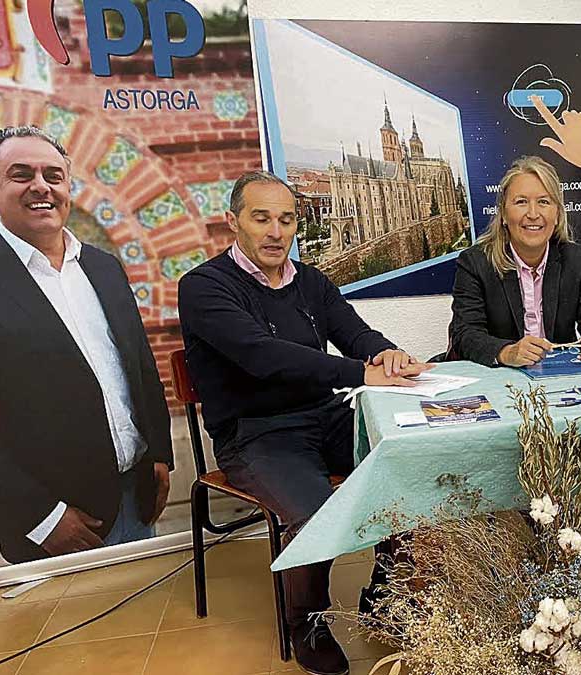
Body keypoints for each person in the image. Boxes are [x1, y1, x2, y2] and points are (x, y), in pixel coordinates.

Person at [178, 171, 431, 675]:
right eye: (261, 218)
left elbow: (354, 332)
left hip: (326, 415)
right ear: (233, 222)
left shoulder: (311, 280)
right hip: (255, 433)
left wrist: (387, 353)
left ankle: (383, 596)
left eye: (286, 219)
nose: (276, 231)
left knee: (408, 472)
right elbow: (263, 356)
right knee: (315, 513)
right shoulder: (203, 287)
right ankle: (308, 623)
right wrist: (362, 372)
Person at [0, 126, 172, 564]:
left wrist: (158, 454)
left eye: (53, 175)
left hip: (136, 500)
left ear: (68, 187)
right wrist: (40, 517)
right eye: (21, 174)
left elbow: (138, 364)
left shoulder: (104, 268)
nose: (41, 186)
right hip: (55, 526)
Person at [450, 155, 581, 366]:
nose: (533, 214)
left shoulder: (577, 259)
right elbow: (464, 333)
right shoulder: (475, 263)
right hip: (502, 380)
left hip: (559, 378)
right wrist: (506, 352)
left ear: (557, 213)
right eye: (521, 202)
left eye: (544, 202)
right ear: (503, 213)